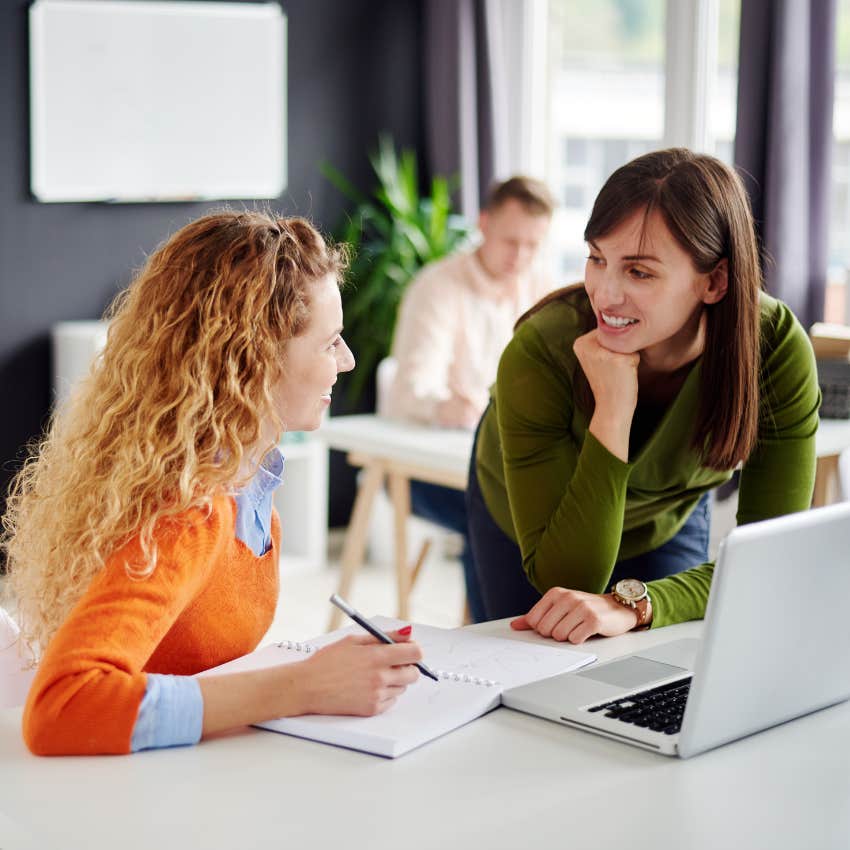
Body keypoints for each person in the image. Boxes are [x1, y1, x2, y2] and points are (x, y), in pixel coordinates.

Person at [2, 211, 423, 756]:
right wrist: (302, 686)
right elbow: (61, 711)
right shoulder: (190, 510)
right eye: (330, 342)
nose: (347, 361)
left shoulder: (248, 484)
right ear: (253, 358)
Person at [466, 148, 820, 640]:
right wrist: (613, 409)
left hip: (664, 516)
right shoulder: (541, 350)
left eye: (639, 272)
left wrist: (637, 605)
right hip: (532, 524)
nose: (606, 294)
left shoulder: (774, 346)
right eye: (597, 258)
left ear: (715, 280)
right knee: (527, 674)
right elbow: (567, 580)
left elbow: (769, 559)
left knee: (671, 674)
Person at [384, 176, 556, 622]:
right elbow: (410, 390)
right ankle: (498, 637)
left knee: (546, 506)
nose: (520, 257)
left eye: (532, 246)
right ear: (483, 224)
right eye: (510, 241)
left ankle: (538, 636)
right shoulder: (438, 288)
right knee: (504, 513)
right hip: (423, 473)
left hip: (506, 461)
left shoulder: (539, 286)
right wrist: (444, 406)